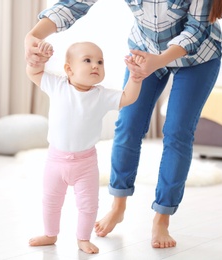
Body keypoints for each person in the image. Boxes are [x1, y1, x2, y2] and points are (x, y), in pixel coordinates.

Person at [25, 0, 222, 249]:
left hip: (198, 57)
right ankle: (118, 206)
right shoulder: (60, 86)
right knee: (128, 126)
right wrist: (34, 34)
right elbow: (75, 4)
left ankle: (162, 218)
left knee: (177, 132)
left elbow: (196, 29)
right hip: (144, 51)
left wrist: (161, 60)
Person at [26, 40, 143, 254]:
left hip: (86, 163)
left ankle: (83, 238)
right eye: (87, 60)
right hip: (56, 161)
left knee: (88, 205)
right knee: (51, 201)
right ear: (69, 69)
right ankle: (50, 234)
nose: (95, 65)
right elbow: (34, 73)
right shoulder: (58, 85)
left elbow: (128, 97)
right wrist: (38, 60)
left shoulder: (101, 95)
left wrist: (135, 78)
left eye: (100, 61)